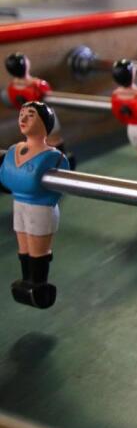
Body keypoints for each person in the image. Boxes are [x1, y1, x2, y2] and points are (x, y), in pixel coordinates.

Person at [0, 101, 70, 308]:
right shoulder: (14, 150)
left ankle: (39, 283)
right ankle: (26, 280)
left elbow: (61, 186)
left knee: (37, 248)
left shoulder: (54, 158)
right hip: (20, 203)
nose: (23, 118)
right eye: (22, 114)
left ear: (44, 123)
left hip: (40, 207)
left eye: (30, 115)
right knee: (23, 245)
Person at [4, 53, 77, 170]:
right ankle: (61, 165)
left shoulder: (11, 88)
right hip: (45, 117)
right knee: (55, 140)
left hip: (27, 121)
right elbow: (47, 91)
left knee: (35, 142)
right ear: (25, 65)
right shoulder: (38, 85)